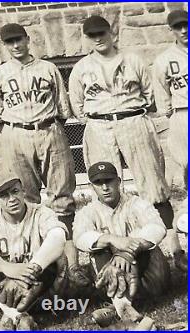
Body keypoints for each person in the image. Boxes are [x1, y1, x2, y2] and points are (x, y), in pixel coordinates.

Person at [69, 15, 185, 271]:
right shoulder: (80, 68)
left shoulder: (133, 60)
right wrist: (101, 116)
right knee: (104, 187)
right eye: (92, 35)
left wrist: (128, 112)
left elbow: (149, 94)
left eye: (102, 33)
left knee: (154, 188)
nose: (98, 38)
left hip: (133, 120)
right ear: (87, 38)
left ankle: (175, 251)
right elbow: (77, 106)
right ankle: (111, 254)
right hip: (99, 125)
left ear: (112, 33)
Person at [0, 23, 82, 280]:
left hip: (49, 129)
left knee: (62, 196)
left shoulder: (49, 68)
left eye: (19, 40)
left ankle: (72, 264)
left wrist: (49, 128)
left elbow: (63, 109)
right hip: (15, 133)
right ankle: (42, 264)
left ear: (28, 40)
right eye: (10, 42)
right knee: (27, 200)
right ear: (4, 46)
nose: (16, 45)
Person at [0, 172, 69, 330]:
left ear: (23, 191)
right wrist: (5, 267)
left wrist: (27, 272)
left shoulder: (41, 212)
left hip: (41, 290)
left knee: (56, 257)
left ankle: (13, 316)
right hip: (4, 294)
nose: (12, 199)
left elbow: (58, 236)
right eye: (4, 195)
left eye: (15, 191)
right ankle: (18, 315)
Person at [73, 162, 170, 328]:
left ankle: (116, 307)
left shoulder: (136, 203)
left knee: (148, 245)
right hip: (112, 279)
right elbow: (79, 238)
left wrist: (127, 253)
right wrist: (111, 239)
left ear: (119, 181)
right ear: (91, 187)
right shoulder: (88, 212)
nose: (105, 187)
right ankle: (124, 307)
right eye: (98, 183)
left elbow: (158, 227)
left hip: (149, 279)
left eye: (109, 181)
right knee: (99, 249)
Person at [153, 10, 188, 189]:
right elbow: (161, 92)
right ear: (171, 30)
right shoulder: (164, 60)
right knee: (186, 163)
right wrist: (169, 113)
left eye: (186, 25)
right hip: (183, 112)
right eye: (178, 27)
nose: (183, 30)